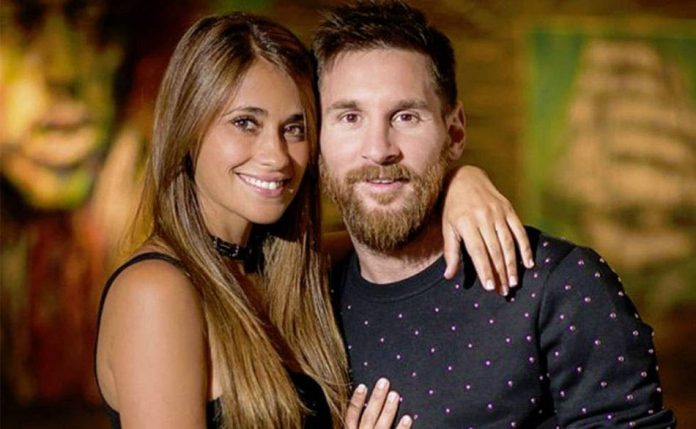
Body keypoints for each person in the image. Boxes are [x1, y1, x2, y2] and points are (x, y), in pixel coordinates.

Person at [95, 12, 530, 429]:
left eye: (295, 128)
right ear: (188, 128)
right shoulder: (156, 291)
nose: (276, 156)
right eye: (245, 123)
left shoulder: (288, 266)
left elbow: (384, 238)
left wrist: (458, 182)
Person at [315, 1, 677, 427]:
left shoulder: (560, 285)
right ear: (317, 137)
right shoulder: (304, 299)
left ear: (454, 132)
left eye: (407, 116)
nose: (379, 149)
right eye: (350, 117)